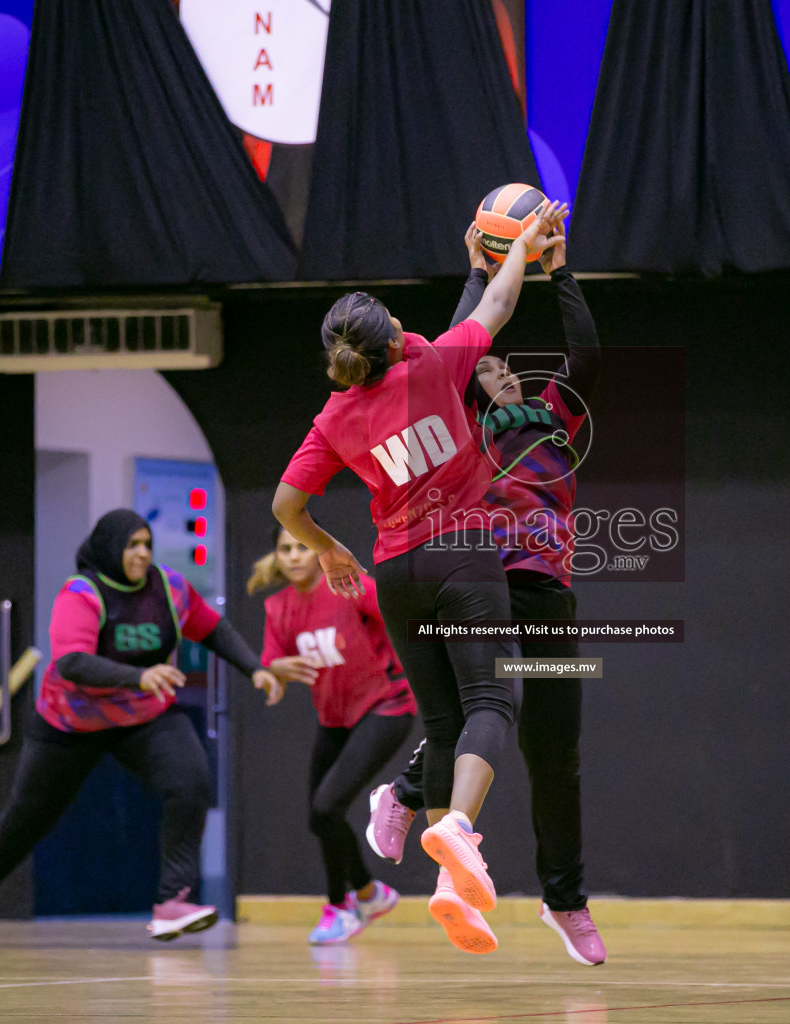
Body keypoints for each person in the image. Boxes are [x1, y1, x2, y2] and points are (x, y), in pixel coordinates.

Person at [272, 200, 567, 955]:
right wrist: (523, 248)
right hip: (462, 555)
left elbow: (285, 504)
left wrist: (332, 550)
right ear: (389, 337)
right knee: (496, 700)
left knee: (441, 725)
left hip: (394, 568)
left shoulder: (336, 415)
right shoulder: (439, 364)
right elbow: (500, 304)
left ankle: (449, 887)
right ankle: (460, 831)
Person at [366, 221, 606, 966]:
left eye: (507, 365)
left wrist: (559, 271)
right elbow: (459, 342)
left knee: (557, 749)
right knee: (481, 710)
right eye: (490, 365)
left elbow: (588, 354)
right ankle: (411, 798)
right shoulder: (462, 424)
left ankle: (563, 902)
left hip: (551, 596)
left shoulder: (557, 419)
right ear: (468, 386)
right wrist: (478, 271)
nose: (503, 369)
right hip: (484, 580)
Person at [0, 509, 283, 949]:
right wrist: (138, 677)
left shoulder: (170, 588)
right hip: (70, 723)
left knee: (191, 781)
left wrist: (255, 669)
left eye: (147, 544)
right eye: (131, 545)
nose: (141, 553)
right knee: (25, 822)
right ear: (109, 548)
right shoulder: (82, 593)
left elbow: (212, 628)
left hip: (142, 717)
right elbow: (72, 661)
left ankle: (171, 903)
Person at [250, 527, 416, 945]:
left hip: (387, 706)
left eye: (302, 547)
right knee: (319, 816)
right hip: (334, 719)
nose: (293, 556)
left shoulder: (349, 584)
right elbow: (272, 667)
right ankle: (368, 893)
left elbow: (403, 616)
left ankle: (340, 907)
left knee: (327, 806)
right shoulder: (279, 608)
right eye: (285, 549)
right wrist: (274, 675)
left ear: (320, 550)